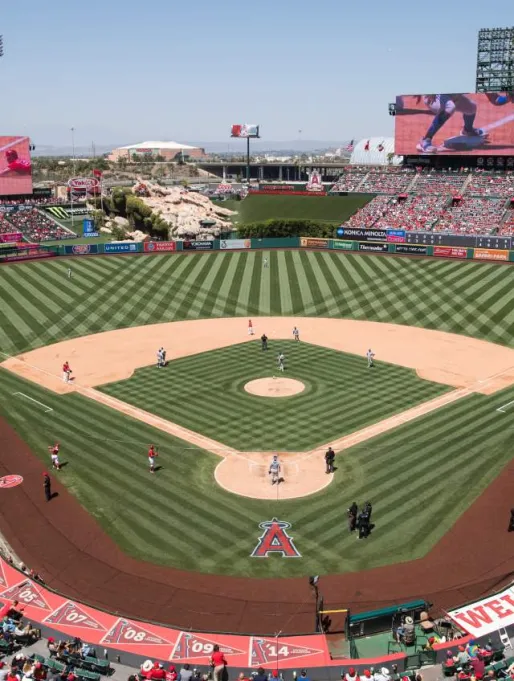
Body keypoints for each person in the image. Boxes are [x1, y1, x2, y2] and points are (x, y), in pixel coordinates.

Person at [416, 94, 487, 153]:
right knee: (450, 107)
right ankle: (425, 140)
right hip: (434, 97)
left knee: (471, 107)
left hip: (454, 97)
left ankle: (468, 130)